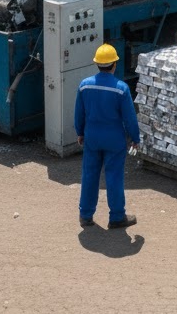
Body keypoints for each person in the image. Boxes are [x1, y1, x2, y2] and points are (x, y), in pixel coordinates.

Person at [74, 43, 141, 230]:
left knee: (89, 175)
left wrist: (80, 132)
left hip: (92, 138)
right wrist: (135, 138)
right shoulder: (121, 88)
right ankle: (117, 217)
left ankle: (85, 215)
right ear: (114, 65)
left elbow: (79, 113)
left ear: (97, 64)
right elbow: (130, 118)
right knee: (114, 177)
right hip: (114, 140)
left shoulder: (84, 85)